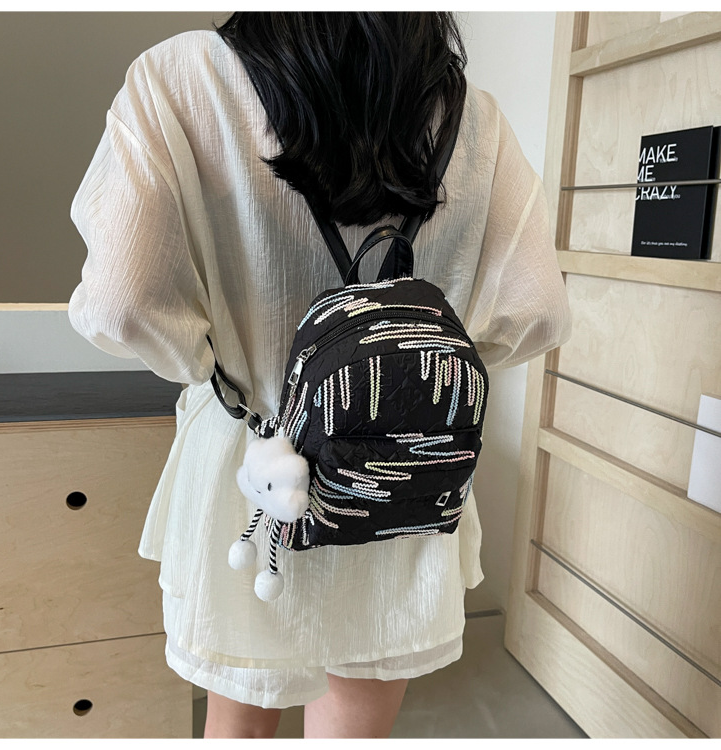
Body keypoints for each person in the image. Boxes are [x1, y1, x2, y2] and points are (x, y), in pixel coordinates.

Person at [68, 12, 571, 739]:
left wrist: (213, 373)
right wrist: (416, 374)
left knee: (239, 720)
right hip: (399, 479)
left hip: (252, 469)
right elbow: (540, 310)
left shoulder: (179, 79)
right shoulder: (472, 118)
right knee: (356, 725)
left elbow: (121, 303)